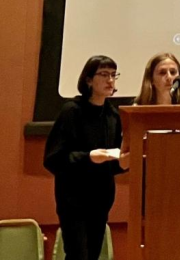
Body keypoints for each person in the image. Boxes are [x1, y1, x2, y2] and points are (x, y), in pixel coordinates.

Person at [44, 55, 128, 260]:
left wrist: (123, 163)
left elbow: (113, 159)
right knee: (77, 255)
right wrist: (88, 157)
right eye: (104, 74)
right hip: (74, 199)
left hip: (101, 198)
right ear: (89, 80)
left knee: (92, 255)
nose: (110, 80)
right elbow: (53, 159)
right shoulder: (72, 112)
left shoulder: (112, 115)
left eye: (113, 75)